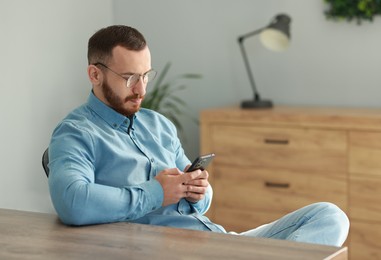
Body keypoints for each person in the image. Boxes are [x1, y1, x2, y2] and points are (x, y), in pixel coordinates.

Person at [48, 25, 349, 246]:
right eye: (129, 78)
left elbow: (200, 204)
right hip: (163, 249)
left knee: (330, 216)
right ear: (95, 74)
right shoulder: (76, 133)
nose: (140, 89)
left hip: (215, 241)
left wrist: (198, 191)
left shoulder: (159, 125)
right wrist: (157, 192)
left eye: (145, 76)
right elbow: (72, 202)